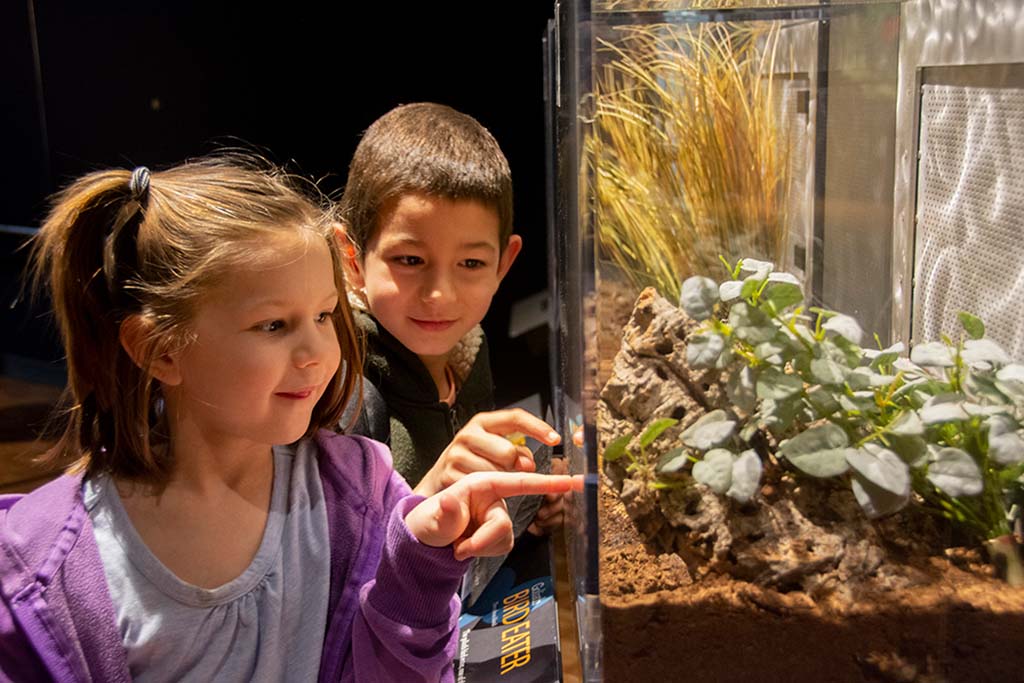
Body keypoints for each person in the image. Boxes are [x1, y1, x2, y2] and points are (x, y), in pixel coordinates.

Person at [0, 155, 579, 682]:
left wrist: (419, 565)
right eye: (273, 325)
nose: (319, 354)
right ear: (161, 350)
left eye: (325, 316)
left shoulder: (360, 490)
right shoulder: (42, 575)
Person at [335, 103, 567, 600]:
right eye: (410, 260)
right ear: (352, 258)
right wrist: (429, 497)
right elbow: (332, 588)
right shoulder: (338, 388)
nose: (440, 295)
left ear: (504, 264)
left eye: (470, 262)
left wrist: (527, 503)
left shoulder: (470, 354)